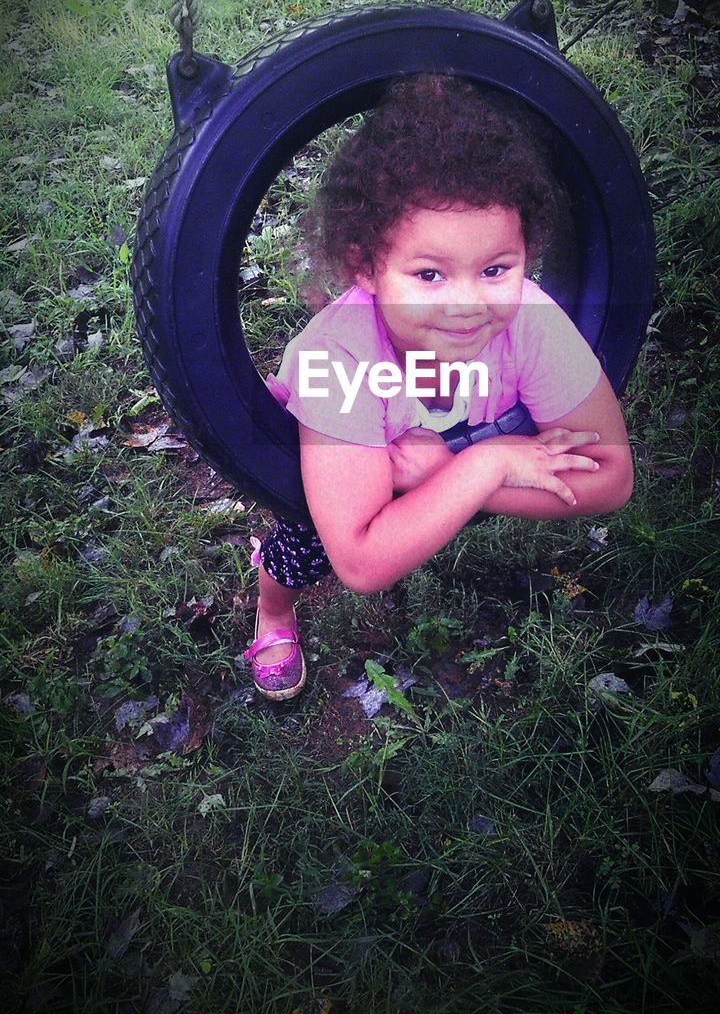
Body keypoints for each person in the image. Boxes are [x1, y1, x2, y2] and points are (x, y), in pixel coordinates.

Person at [243, 75, 634, 700]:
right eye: (429, 274)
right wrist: (483, 469)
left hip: (438, 453)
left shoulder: (528, 320)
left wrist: (453, 473)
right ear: (365, 265)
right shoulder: (338, 356)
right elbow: (363, 560)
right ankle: (273, 610)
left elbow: (611, 476)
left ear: (526, 254)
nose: (468, 304)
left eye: (496, 269)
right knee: (304, 542)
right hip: (344, 433)